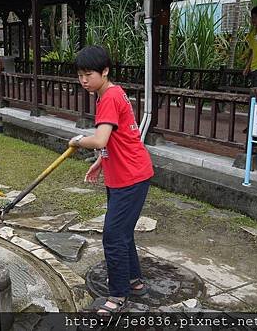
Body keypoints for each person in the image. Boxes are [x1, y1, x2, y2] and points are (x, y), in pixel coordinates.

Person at [68, 45, 154, 315]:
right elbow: (117, 139)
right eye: (80, 75)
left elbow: (101, 138)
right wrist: (100, 161)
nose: (84, 80)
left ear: (105, 71)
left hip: (131, 177)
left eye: (89, 74)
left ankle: (118, 296)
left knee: (113, 236)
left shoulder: (108, 97)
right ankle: (133, 281)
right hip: (123, 175)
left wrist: (79, 141)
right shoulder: (109, 93)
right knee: (123, 233)